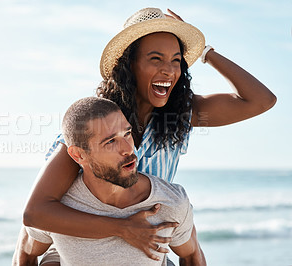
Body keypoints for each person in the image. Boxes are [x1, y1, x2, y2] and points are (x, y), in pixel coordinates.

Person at [17, 7, 276, 265]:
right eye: (156, 59)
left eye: (176, 60)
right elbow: (36, 214)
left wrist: (206, 52)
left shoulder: (181, 115)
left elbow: (261, 100)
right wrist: (122, 228)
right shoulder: (96, 124)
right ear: (129, 64)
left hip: (147, 247)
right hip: (79, 245)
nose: (169, 71)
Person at [14, 97, 205, 266]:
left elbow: (191, 256)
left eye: (127, 134)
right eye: (110, 141)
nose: (128, 149)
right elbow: (26, 253)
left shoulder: (170, 202)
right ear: (78, 155)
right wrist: (122, 228)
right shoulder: (59, 208)